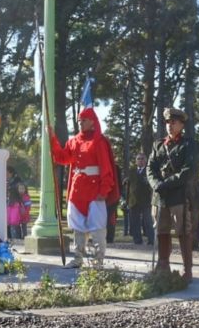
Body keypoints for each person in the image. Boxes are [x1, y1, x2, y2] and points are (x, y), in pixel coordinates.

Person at [49, 106, 116, 268]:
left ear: (92, 122)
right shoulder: (73, 141)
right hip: (77, 190)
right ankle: (78, 258)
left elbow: (106, 168)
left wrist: (104, 190)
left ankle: (98, 261)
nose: (80, 123)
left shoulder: (99, 141)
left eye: (84, 120)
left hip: (95, 191)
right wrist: (52, 138)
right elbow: (62, 158)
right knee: (78, 226)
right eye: (79, 120)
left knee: (97, 227)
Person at [148, 107, 197, 281]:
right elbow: (150, 168)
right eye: (168, 122)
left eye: (173, 122)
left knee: (183, 231)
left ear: (181, 125)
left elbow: (188, 170)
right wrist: (156, 184)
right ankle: (163, 266)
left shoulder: (188, 144)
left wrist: (165, 184)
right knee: (161, 231)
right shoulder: (158, 145)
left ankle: (187, 270)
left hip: (178, 196)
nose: (170, 125)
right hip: (160, 196)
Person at [126, 153, 154, 246]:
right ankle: (137, 240)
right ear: (136, 161)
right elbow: (128, 185)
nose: (140, 160)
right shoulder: (132, 171)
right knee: (135, 222)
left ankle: (151, 240)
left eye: (142, 159)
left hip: (146, 201)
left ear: (145, 161)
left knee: (148, 222)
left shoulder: (149, 170)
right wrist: (126, 200)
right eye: (138, 159)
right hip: (133, 201)